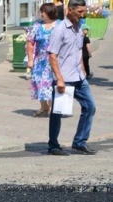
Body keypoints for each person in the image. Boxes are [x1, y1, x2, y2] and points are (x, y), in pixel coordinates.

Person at [47, 0, 96, 155]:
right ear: (69, 10)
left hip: (79, 77)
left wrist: (83, 72)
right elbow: (52, 56)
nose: (83, 14)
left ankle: (79, 142)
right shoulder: (59, 30)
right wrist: (59, 79)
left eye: (84, 11)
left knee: (90, 107)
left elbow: (78, 51)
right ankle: (53, 145)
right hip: (65, 78)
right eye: (80, 11)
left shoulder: (79, 26)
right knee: (58, 112)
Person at [26, 3, 59, 117]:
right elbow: (30, 43)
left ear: (49, 12)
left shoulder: (60, 25)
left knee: (53, 84)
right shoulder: (37, 26)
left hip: (56, 60)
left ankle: (53, 108)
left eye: (42, 12)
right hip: (41, 61)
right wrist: (30, 60)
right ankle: (44, 107)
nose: (41, 14)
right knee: (39, 83)